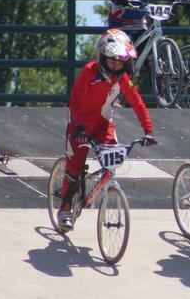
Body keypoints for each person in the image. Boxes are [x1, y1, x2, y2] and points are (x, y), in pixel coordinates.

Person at [56, 29, 157, 232]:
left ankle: (93, 195)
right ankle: (65, 210)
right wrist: (79, 128)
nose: (116, 66)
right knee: (74, 170)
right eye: (112, 61)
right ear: (102, 57)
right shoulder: (89, 71)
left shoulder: (123, 78)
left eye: (121, 62)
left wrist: (148, 130)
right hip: (79, 126)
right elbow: (75, 100)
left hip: (103, 125)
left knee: (111, 164)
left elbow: (137, 102)